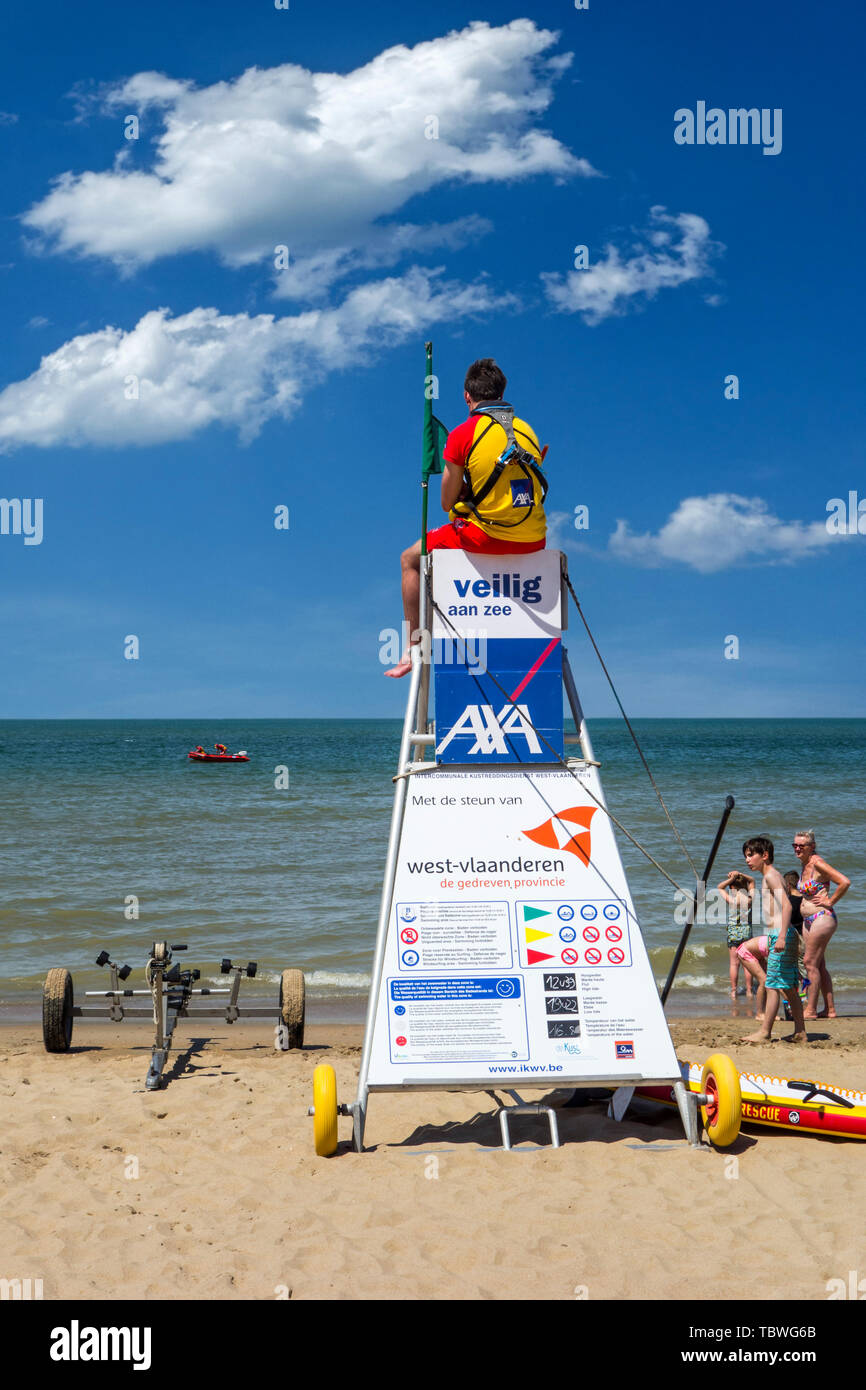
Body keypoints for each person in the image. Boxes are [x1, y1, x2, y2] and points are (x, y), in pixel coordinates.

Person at [385, 358, 548, 678]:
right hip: (534, 540)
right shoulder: (526, 430)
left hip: (486, 538)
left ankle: (412, 647)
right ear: (502, 392)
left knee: (409, 559)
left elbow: (446, 502)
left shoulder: (462, 434)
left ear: (466, 396)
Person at [739, 836, 805, 1043]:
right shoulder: (771, 876)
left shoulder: (771, 876)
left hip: (780, 935)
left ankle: (765, 1032)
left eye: (751, 855)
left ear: (765, 855)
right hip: (782, 934)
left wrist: (782, 936)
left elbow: (787, 905)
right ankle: (801, 1032)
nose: (747, 860)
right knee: (788, 988)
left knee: (772, 985)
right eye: (746, 856)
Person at [792, 829, 849, 1020]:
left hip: (822, 917)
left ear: (812, 846)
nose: (797, 849)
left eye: (801, 846)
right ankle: (830, 1009)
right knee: (819, 964)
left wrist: (830, 901)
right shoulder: (805, 865)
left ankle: (810, 1009)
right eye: (795, 845)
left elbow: (844, 882)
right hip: (809, 921)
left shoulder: (818, 863)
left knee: (809, 963)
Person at [716, 871, 755, 999]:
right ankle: (749, 990)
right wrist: (740, 874)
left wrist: (731, 878)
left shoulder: (732, 900)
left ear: (732, 886)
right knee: (747, 963)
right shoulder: (749, 900)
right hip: (746, 933)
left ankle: (734, 991)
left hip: (733, 934)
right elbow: (752, 880)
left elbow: (719, 887)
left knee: (734, 964)